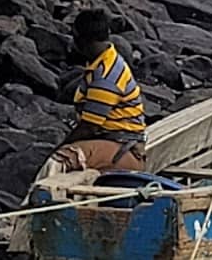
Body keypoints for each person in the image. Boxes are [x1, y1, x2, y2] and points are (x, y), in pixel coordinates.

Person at [54, 9, 147, 173]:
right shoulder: (107, 60)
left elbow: (90, 127)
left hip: (122, 148)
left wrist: (60, 146)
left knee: (60, 160)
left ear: (82, 40)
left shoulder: (106, 76)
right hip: (116, 140)